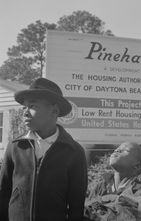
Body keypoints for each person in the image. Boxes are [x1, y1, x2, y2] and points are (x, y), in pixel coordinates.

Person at [0, 78, 87, 221]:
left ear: (54, 110)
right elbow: (3, 193)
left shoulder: (74, 152)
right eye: (24, 107)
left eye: (33, 106)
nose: (25, 113)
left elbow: (76, 205)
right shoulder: (16, 147)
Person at [85, 142, 141, 221]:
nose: (117, 150)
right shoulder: (100, 187)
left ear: (137, 165)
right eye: (117, 148)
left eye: (126, 150)